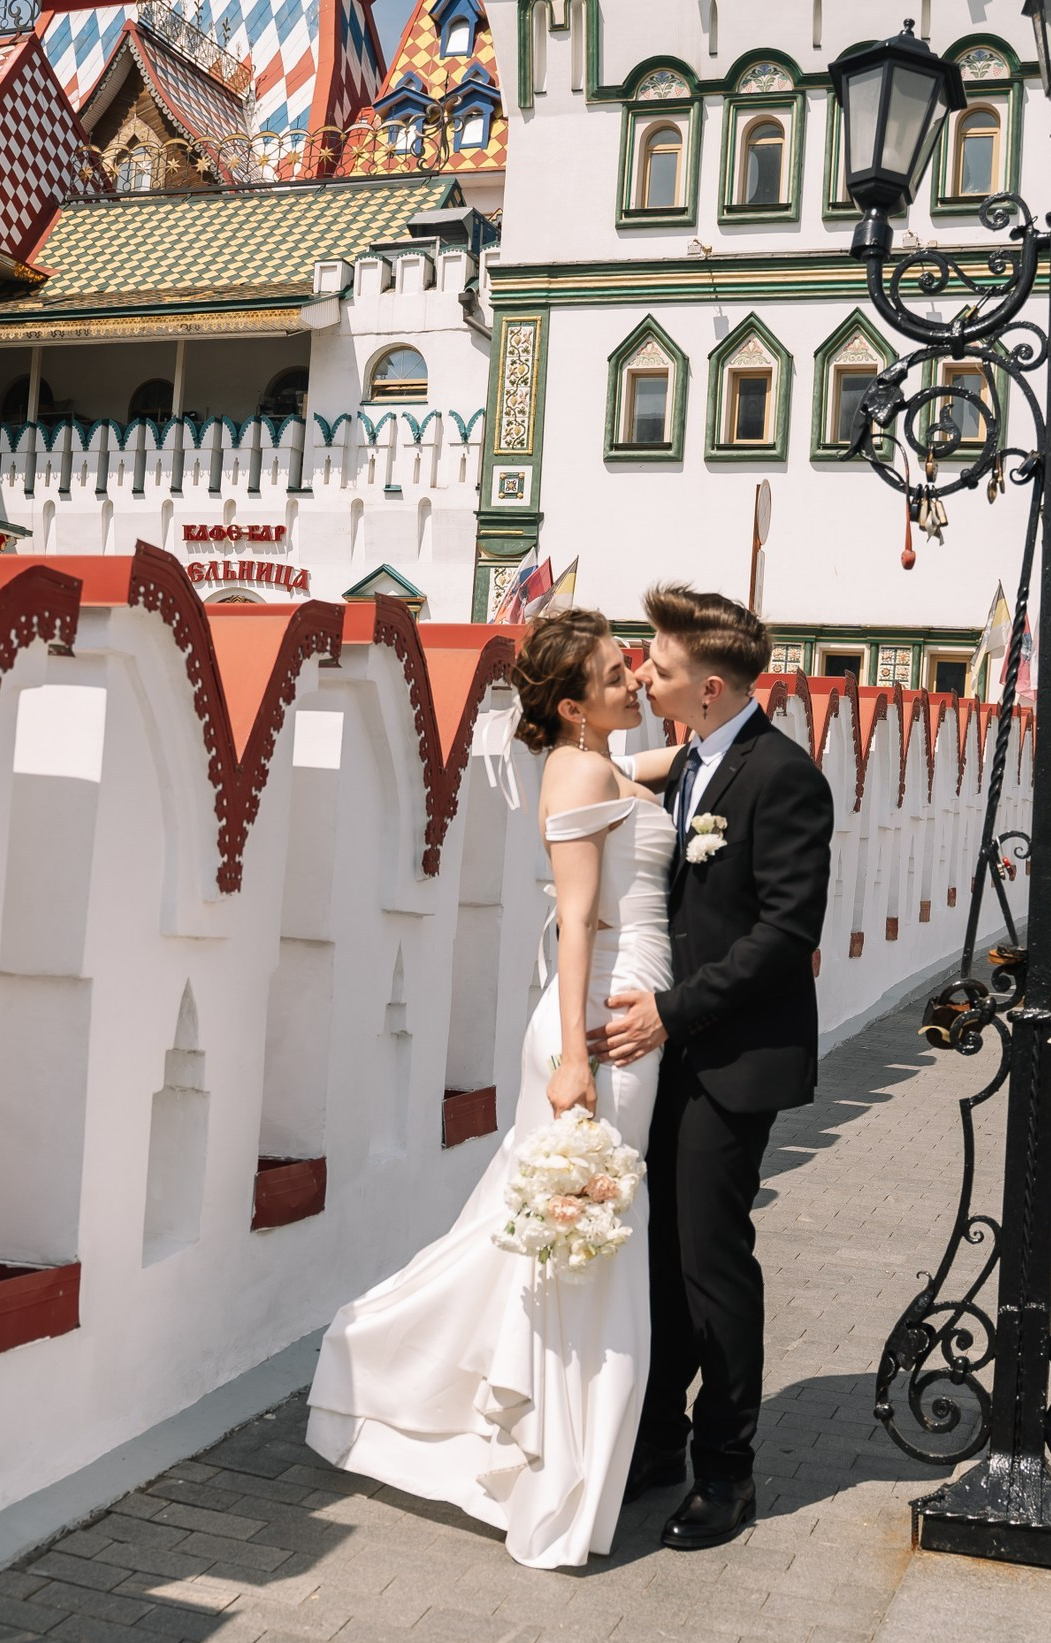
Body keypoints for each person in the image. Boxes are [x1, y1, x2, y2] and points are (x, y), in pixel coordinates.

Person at [305, 608, 674, 1569]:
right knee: (575, 1228)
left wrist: (709, 746)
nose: (633, 678)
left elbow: (649, 780)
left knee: (567, 1230)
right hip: (595, 1024)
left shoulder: (599, 763)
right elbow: (581, 918)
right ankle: (518, 1446)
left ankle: (555, 1448)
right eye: (613, 673)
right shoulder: (583, 769)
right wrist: (577, 1057)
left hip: (608, 1016)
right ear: (571, 705)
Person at [595, 585, 834, 1552]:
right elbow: (582, 767)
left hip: (732, 1053)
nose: (644, 675)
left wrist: (670, 1010)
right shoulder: (687, 758)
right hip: (668, 1051)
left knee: (711, 1264)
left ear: (713, 684)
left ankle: (727, 1472)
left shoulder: (785, 777)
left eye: (657, 666)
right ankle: (654, 1440)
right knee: (656, 1256)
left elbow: (788, 933)